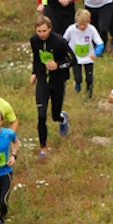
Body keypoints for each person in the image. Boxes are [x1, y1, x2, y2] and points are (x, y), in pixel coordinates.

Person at [29, 15, 76, 159]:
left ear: (50, 29)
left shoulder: (60, 42)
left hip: (57, 81)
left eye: (44, 31)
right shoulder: (34, 41)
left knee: (55, 115)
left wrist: (58, 65)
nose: (41, 34)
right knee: (41, 115)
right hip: (43, 81)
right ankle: (43, 147)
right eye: (39, 31)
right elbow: (36, 57)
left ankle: (62, 118)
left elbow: (73, 60)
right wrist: (34, 73)